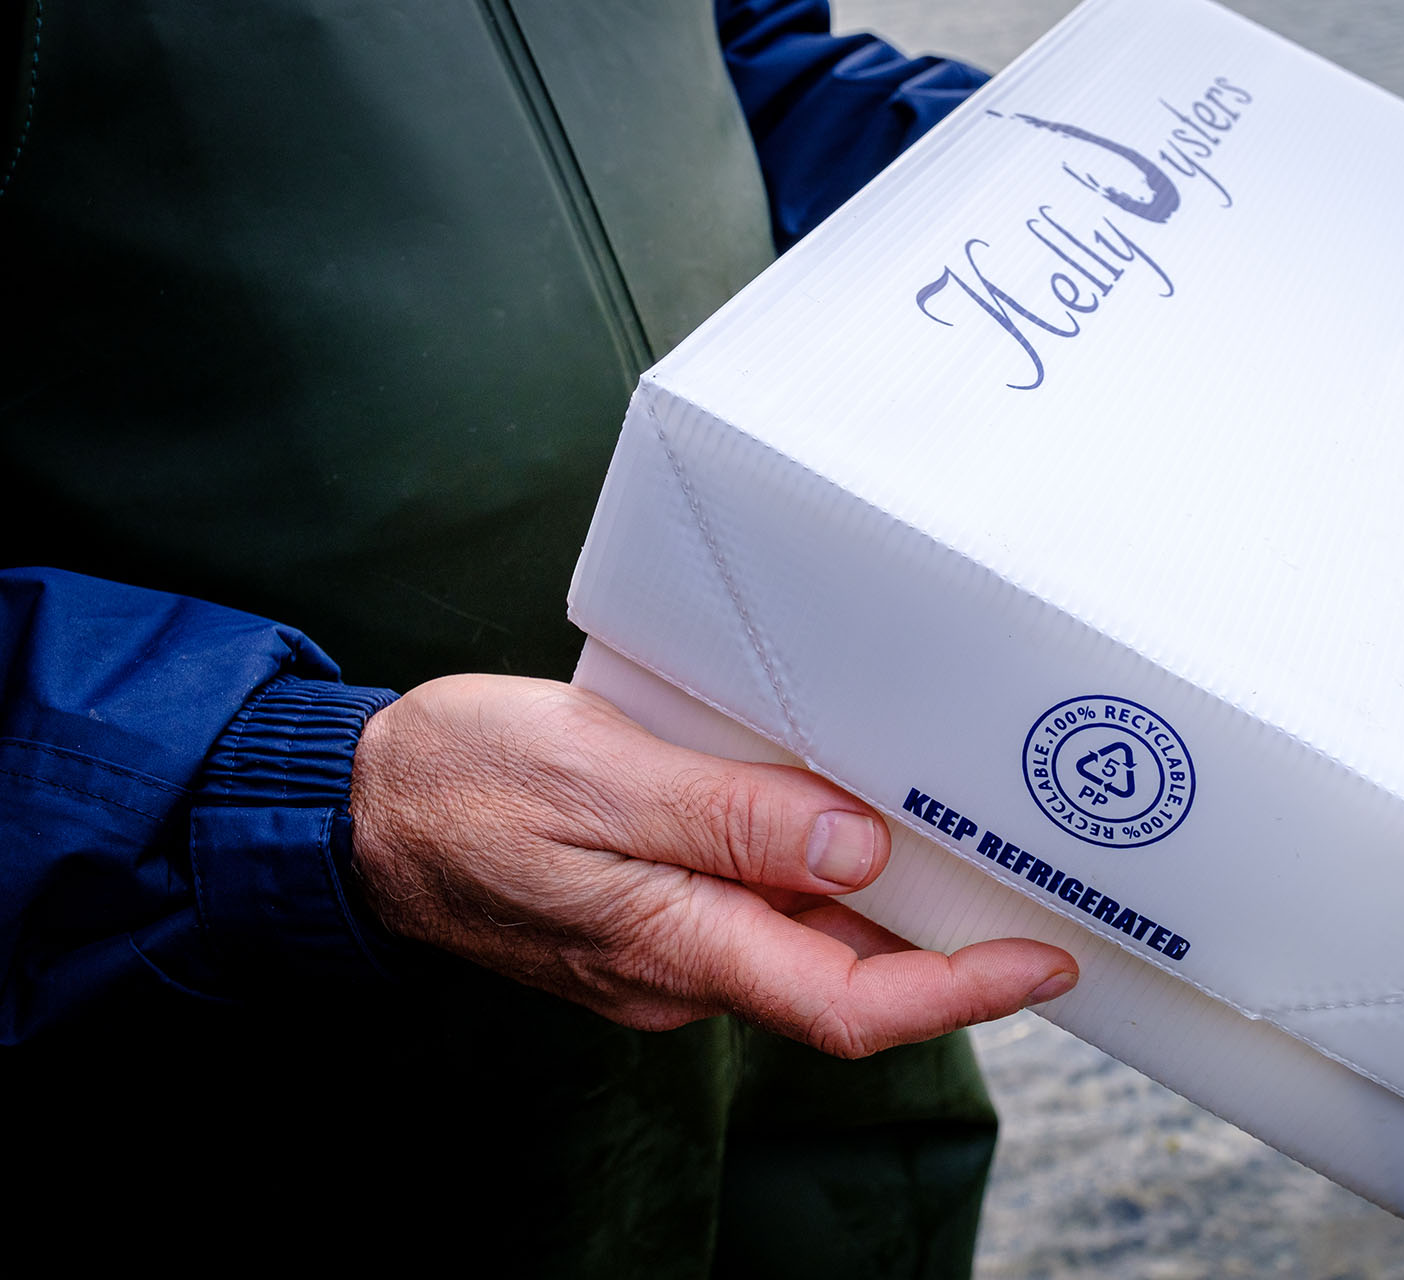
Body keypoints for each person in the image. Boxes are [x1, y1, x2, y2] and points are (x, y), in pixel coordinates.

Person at [0, 2, 1077, 1274]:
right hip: (239, 1022)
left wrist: (1032, 189)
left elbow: (740, 57)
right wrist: (271, 796)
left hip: (804, 846)